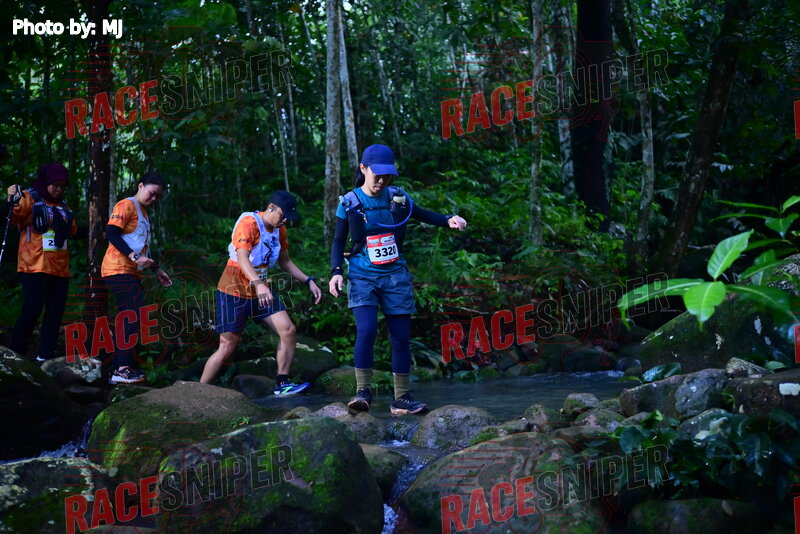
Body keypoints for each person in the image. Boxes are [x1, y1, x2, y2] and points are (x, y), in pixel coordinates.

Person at [329, 144, 467, 415]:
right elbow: (337, 241)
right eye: (377, 175)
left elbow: (423, 214)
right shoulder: (349, 202)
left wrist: (448, 219)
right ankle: (363, 392)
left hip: (395, 276)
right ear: (363, 169)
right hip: (362, 275)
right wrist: (335, 272)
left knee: (401, 337)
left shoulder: (398, 198)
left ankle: (402, 398)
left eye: (387, 175)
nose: (382, 180)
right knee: (367, 330)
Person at [200, 190, 322, 395]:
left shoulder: (279, 230)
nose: (285, 221)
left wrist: (308, 280)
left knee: (288, 330)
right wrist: (258, 284)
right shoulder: (248, 223)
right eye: (282, 215)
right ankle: (198, 392)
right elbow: (242, 258)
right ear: (271, 208)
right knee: (227, 345)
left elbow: (285, 262)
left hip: (260, 292)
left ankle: (282, 384)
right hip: (234, 290)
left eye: (288, 218)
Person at [101, 172, 172, 384]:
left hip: (130, 271)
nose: (154, 198)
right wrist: (133, 256)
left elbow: (141, 246)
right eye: (152, 193)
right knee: (131, 314)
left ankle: (118, 367)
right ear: (140, 186)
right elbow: (111, 232)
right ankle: (121, 369)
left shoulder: (143, 213)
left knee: (132, 314)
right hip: (117, 269)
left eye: (158, 196)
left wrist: (156, 269)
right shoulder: (127, 205)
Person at [4, 163, 78, 362]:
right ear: (46, 182)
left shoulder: (64, 206)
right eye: (56, 185)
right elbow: (10, 216)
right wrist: (10, 198)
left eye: (63, 186)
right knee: (32, 310)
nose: (59, 189)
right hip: (34, 266)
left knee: (54, 314)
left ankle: (45, 357)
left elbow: (73, 230)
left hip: (60, 269)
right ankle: (15, 356)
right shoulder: (29, 198)